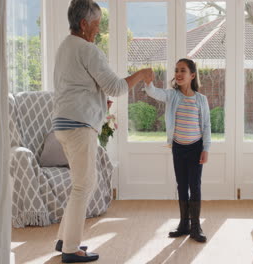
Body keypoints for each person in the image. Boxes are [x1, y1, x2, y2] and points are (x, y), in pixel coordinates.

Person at [52, 0, 152, 262]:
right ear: (84, 24)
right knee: (84, 185)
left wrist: (97, 101)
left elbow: (77, 86)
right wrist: (140, 74)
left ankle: (64, 239)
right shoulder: (88, 50)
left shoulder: (65, 46)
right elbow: (117, 87)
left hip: (64, 123)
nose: (98, 30)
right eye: (96, 25)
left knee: (81, 184)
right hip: (78, 126)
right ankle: (71, 249)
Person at [144, 58, 211, 243]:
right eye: (176, 70)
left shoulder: (200, 99)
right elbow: (154, 92)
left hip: (196, 148)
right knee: (181, 185)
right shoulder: (172, 95)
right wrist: (148, 82)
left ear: (192, 75)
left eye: (183, 70)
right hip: (178, 148)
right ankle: (184, 224)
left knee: (194, 186)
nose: (178, 74)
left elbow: (206, 126)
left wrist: (206, 148)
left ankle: (196, 227)